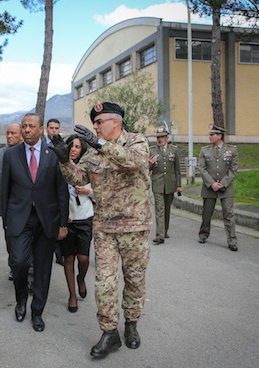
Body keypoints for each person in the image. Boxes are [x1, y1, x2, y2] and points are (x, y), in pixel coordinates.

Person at [50, 102, 151, 358]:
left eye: (99, 122)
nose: (94, 126)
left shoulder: (136, 141)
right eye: (93, 123)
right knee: (104, 282)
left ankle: (131, 324)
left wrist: (99, 143)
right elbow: (78, 178)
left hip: (134, 227)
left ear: (115, 122)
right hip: (105, 228)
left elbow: (135, 163)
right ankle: (109, 332)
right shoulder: (93, 153)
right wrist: (64, 161)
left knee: (134, 281)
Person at [0, 113, 69, 333]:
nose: (27, 130)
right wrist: (6, 220)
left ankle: (37, 311)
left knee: (42, 268)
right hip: (20, 218)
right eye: (24, 126)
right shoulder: (11, 155)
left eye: (31, 126)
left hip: (46, 219)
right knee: (19, 263)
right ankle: (21, 300)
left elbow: (61, 190)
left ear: (41, 130)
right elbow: (5, 188)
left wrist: (62, 223)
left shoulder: (53, 155)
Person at [59, 134, 94, 313]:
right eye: (70, 146)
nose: (73, 149)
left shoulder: (88, 168)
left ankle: (81, 278)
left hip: (85, 217)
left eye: (77, 146)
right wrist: (61, 217)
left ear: (83, 150)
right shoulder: (60, 168)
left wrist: (88, 191)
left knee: (83, 258)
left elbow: (103, 192)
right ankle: (72, 295)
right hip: (67, 220)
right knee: (68, 258)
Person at [0, 123, 23, 281]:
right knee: (10, 238)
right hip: (7, 206)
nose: (9, 136)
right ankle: (14, 266)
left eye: (13, 133)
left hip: (25, 204)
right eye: (8, 133)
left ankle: (28, 272)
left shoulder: (27, 152)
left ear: (21, 134)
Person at [197, 123, 239, 251]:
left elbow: (233, 169)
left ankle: (232, 241)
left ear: (219, 136)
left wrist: (223, 183)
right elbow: (201, 169)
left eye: (212, 134)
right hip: (209, 188)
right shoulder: (204, 150)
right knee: (207, 214)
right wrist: (212, 183)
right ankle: (203, 234)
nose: (210, 136)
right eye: (210, 134)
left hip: (226, 188)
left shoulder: (232, 150)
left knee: (229, 214)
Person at [149, 125, 182, 244]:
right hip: (157, 183)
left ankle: (165, 230)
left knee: (167, 209)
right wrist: (149, 164)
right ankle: (160, 235)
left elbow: (177, 170)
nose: (160, 139)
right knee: (159, 209)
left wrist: (178, 185)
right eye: (158, 137)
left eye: (162, 137)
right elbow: (146, 168)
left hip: (170, 184)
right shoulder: (152, 150)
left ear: (167, 137)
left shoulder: (174, 150)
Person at [45, 118, 65, 266]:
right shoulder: (41, 147)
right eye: (51, 128)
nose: (54, 131)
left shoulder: (64, 146)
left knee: (59, 221)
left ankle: (59, 254)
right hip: (46, 190)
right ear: (46, 129)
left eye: (56, 128)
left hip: (60, 187)